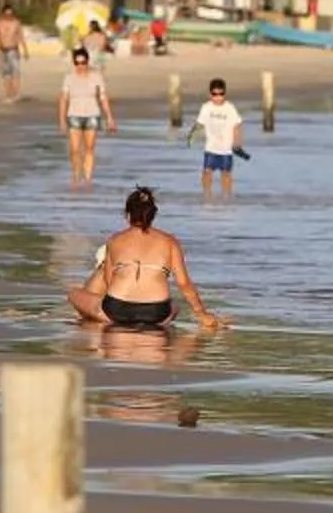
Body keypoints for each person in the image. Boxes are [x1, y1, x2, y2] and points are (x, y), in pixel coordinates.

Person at [66, 187, 221, 331]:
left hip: (117, 311)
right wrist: (201, 313)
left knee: (74, 293)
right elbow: (184, 283)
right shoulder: (170, 242)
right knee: (174, 307)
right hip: (156, 314)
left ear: (128, 215)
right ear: (153, 215)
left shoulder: (115, 240)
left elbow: (108, 280)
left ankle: (97, 323)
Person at [58, 46, 116, 183]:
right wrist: (62, 120)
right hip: (74, 115)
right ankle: (76, 175)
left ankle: (88, 178)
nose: (80, 66)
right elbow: (63, 99)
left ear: (87, 62)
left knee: (89, 149)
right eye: (77, 63)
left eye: (83, 63)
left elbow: (103, 97)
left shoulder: (96, 77)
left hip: (92, 115)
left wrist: (109, 118)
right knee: (74, 149)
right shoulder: (69, 78)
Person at [193, 77, 246, 200]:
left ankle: (227, 196)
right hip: (211, 147)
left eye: (221, 94)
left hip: (226, 148)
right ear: (210, 94)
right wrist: (193, 136)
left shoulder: (229, 108)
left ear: (224, 94)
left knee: (226, 173)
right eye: (214, 94)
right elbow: (199, 124)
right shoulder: (206, 107)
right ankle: (207, 195)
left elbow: (237, 125)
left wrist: (237, 142)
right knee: (207, 172)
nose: (218, 97)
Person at [0, 9, 27, 95]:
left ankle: (16, 92)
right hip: (2, 50)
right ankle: (9, 93)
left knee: (15, 71)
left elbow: (21, 37)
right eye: (6, 15)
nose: (8, 16)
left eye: (10, 14)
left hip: (13, 49)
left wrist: (25, 51)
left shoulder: (16, 23)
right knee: (5, 73)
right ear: (3, 14)